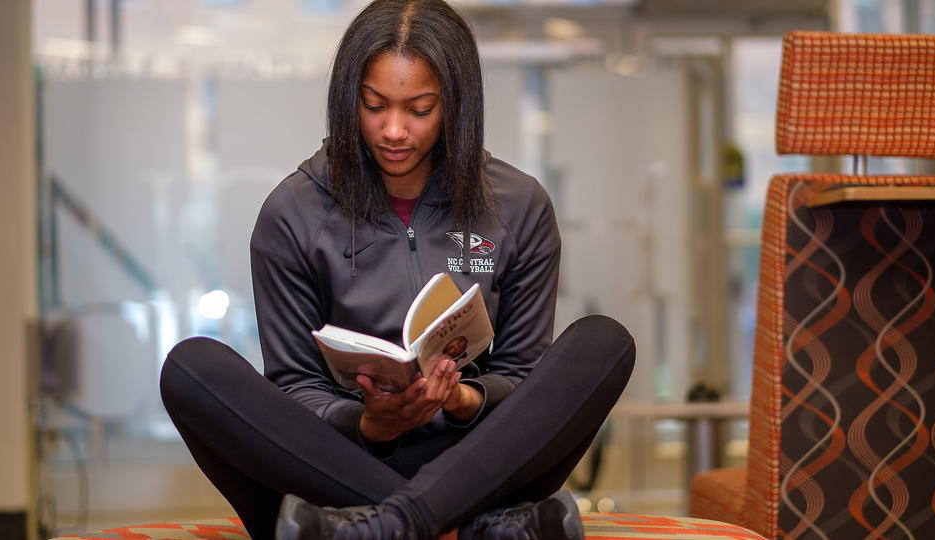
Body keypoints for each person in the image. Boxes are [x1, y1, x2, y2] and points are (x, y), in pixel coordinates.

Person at [159, 0, 636, 538]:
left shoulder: (518, 205)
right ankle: (476, 528)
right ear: (348, 100)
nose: (393, 130)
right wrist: (368, 422)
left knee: (605, 342)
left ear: (455, 104)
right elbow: (295, 387)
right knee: (191, 368)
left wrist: (463, 399)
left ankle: (383, 526)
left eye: (419, 108)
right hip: (335, 464)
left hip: (481, 460)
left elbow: (525, 377)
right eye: (374, 104)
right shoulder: (293, 214)